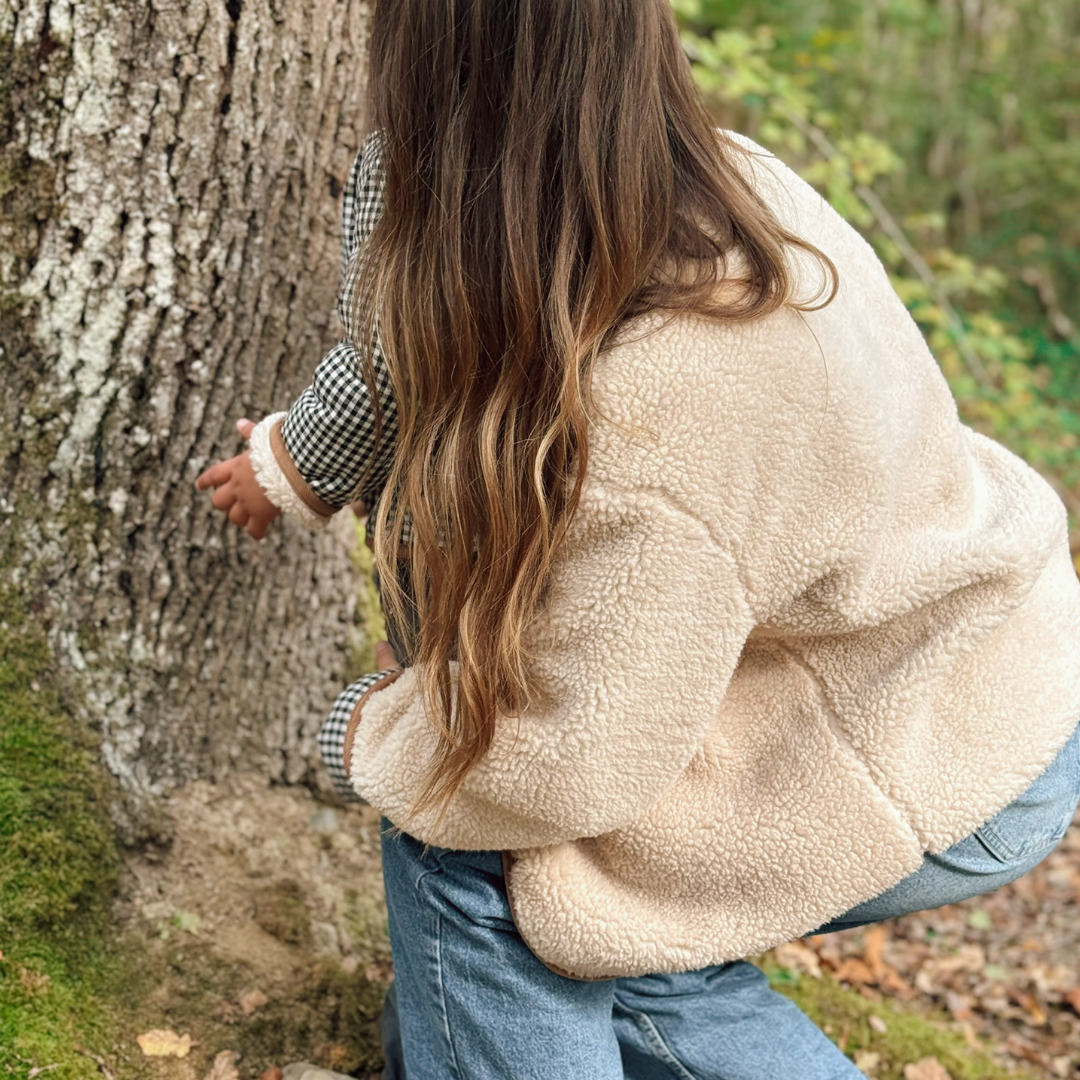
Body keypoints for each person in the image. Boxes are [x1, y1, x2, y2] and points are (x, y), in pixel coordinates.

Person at [196, 1, 1080, 1076]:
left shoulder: (664, 395)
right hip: (952, 654)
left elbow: (555, 767)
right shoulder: (702, 191)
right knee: (607, 929)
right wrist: (293, 462)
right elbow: (401, 345)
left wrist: (365, 726)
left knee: (482, 850)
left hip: (924, 742)